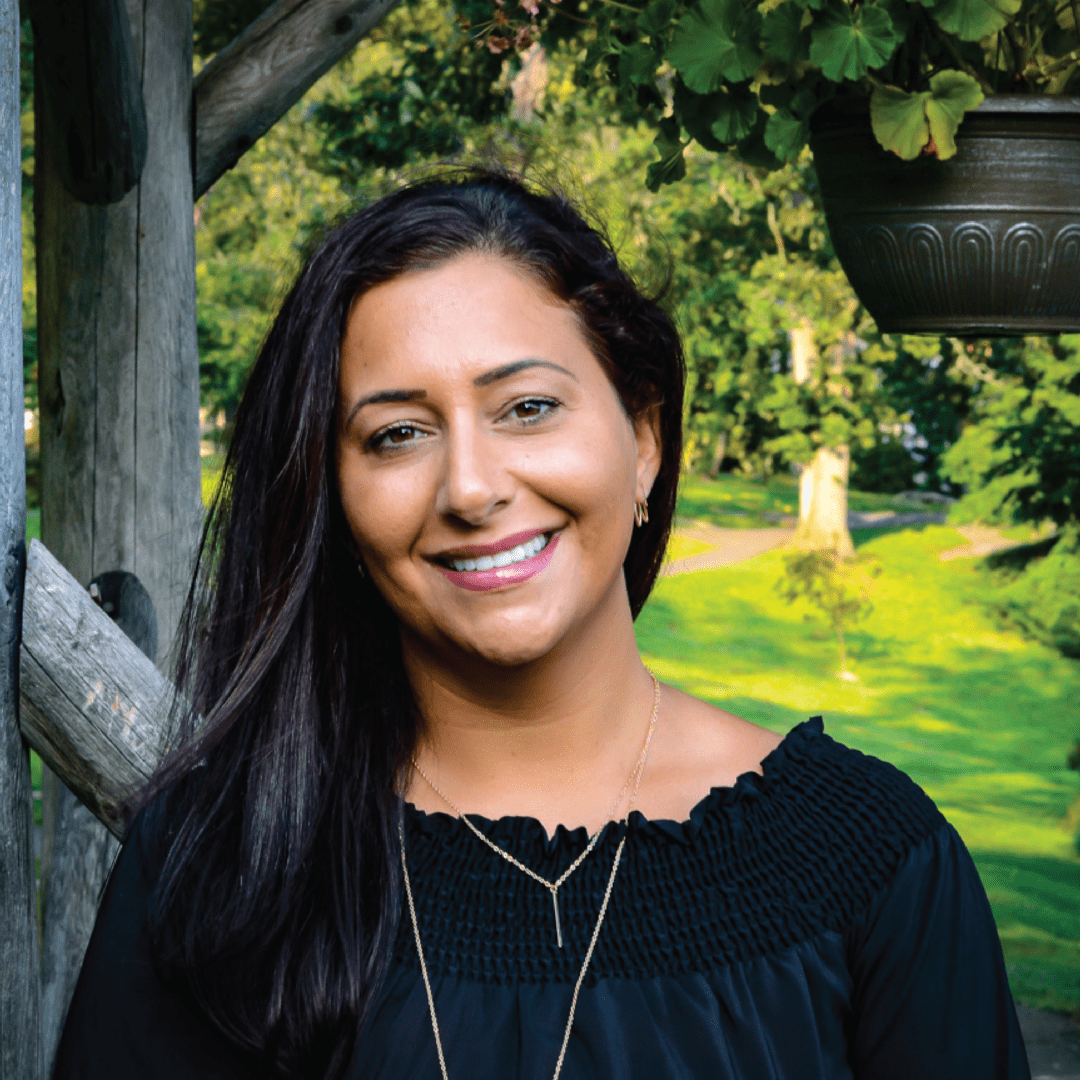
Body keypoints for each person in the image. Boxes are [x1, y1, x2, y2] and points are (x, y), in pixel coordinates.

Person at [53, 170, 1030, 1080]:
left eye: (527, 406)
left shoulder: (871, 863)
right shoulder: (224, 860)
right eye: (397, 433)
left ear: (643, 436)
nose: (472, 488)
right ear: (332, 496)